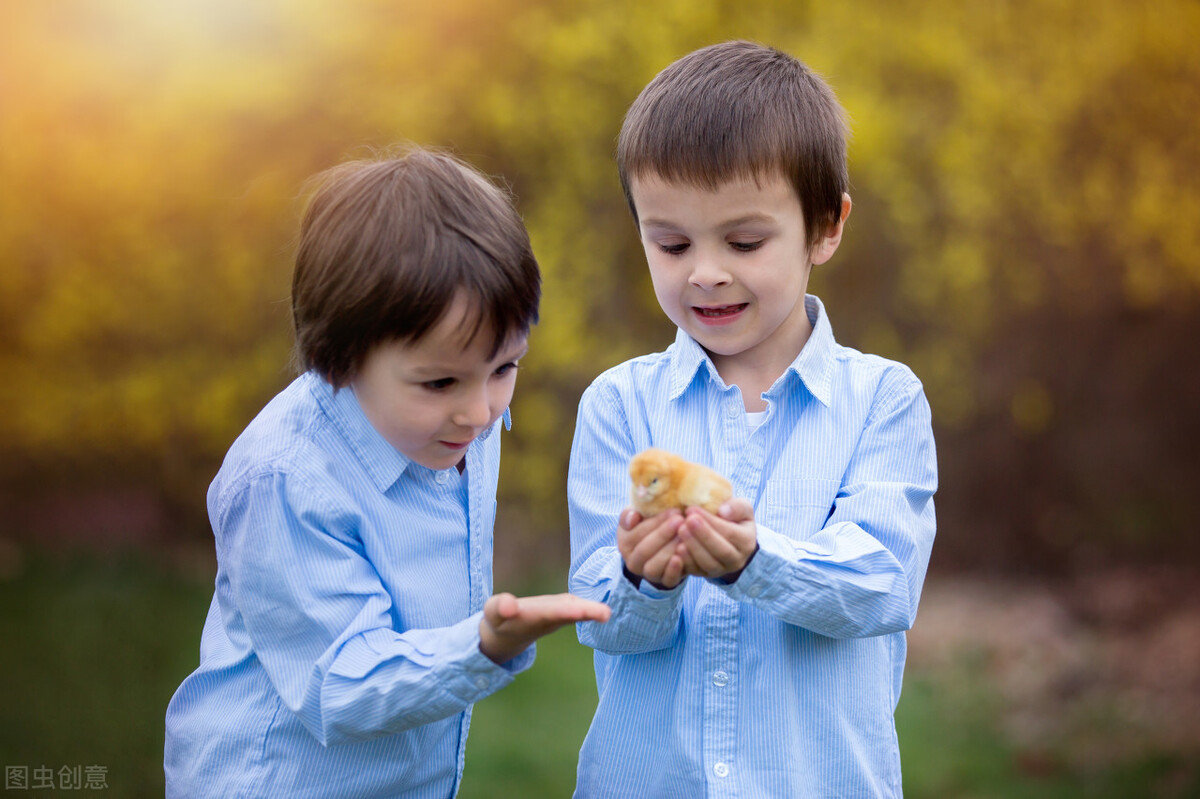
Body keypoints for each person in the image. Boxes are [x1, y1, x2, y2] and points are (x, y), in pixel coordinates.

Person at [165, 146, 610, 798]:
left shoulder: (452, 419)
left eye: (505, 367)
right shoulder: (286, 478)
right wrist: (479, 645)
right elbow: (341, 681)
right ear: (338, 355)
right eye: (439, 381)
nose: (482, 411)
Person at [568, 41, 937, 797]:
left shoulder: (884, 399)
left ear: (826, 227)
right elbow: (600, 618)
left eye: (744, 241)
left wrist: (752, 560)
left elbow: (881, 585)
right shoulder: (620, 403)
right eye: (670, 242)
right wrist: (641, 576)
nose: (704, 271)